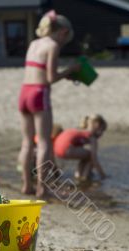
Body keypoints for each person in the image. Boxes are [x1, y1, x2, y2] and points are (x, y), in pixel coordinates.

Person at [18, 10, 80, 197]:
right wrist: (70, 70)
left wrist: (64, 74)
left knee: (27, 142)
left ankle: (26, 185)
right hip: (39, 93)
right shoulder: (53, 45)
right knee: (44, 142)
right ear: (62, 32)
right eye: (65, 38)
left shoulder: (34, 43)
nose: (63, 42)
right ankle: (41, 188)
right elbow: (50, 78)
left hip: (24, 92)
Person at [53, 114, 107, 182]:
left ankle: (78, 175)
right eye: (102, 130)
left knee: (85, 157)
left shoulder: (79, 130)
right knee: (90, 155)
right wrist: (103, 175)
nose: (102, 134)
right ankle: (84, 177)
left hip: (56, 150)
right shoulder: (92, 137)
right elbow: (94, 159)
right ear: (96, 125)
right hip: (66, 149)